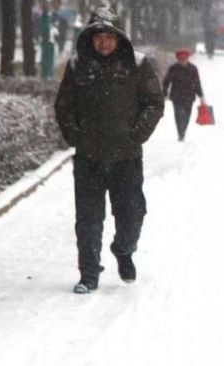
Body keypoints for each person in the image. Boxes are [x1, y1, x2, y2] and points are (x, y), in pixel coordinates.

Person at [54, 8, 164, 294]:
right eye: (98, 37)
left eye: (109, 37)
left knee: (132, 215)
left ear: (119, 39)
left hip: (126, 157)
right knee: (88, 220)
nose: (103, 43)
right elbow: (64, 106)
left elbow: (154, 102)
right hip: (88, 157)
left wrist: (136, 134)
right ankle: (88, 274)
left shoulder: (138, 65)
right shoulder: (78, 66)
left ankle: (123, 250)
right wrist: (75, 136)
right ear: (90, 39)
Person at [162, 49, 205, 141]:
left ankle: (183, 131)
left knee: (186, 115)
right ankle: (180, 133)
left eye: (184, 59)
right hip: (176, 96)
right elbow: (166, 82)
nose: (183, 61)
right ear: (178, 59)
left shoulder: (193, 69)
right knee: (178, 115)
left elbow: (197, 83)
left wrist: (201, 96)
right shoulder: (173, 68)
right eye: (181, 59)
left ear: (187, 58)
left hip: (189, 96)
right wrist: (164, 93)